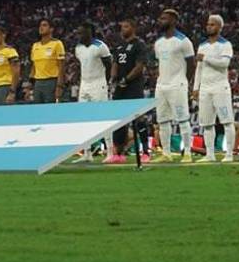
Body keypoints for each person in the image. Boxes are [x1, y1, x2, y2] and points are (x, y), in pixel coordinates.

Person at [152, 8, 196, 163]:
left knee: (182, 119)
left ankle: (188, 153)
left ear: (173, 21)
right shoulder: (158, 42)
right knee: (162, 120)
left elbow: (192, 64)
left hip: (177, 85)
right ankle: (166, 153)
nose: (160, 21)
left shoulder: (183, 41)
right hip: (161, 86)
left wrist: (184, 81)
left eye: (164, 19)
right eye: (160, 18)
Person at [192, 14, 235, 164]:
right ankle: (210, 154)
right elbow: (199, 68)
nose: (209, 26)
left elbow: (224, 64)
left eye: (212, 24)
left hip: (220, 87)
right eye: (208, 24)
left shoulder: (225, 45)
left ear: (219, 27)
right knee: (207, 123)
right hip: (205, 88)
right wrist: (196, 87)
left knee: (227, 121)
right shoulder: (202, 46)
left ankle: (229, 154)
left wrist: (206, 58)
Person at [108, 17, 149, 164]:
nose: (122, 30)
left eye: (125, 27)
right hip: (120, 87)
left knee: (139, 118)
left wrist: (127, 79)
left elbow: (139, 66)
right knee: (119, 120)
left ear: (133, 28)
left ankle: (145, 152)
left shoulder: (139, 45)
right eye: (122, 27)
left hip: (134, 86)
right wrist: (113, 78)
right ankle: (119, 153)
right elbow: (115, 63)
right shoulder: (119, 46)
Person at [72, 22, 113, 162]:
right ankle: (87, 153)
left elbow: (109, 64)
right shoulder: (78, 48)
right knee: (83, 118)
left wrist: (105, 82)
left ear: (89, 32)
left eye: (81, 32)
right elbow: (81, 65)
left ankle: (110, 152)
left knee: (104, 117)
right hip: (84, 84)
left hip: (98, 83)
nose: (79, 35)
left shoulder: (100, 46)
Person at [29, 18, 66, 103]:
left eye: (44, 25)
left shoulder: (57, 43)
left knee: (50, 109)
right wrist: (30, 85)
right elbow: (34, 66)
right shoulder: (35, 46)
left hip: (51, 81)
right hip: (37, 82)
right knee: (37, 109)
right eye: (40, 25)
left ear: (51, 29)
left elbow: (62, 66)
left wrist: (60, 85)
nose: (41, 27)